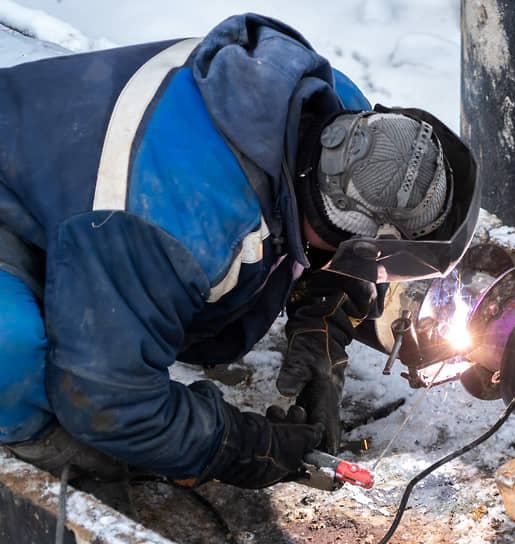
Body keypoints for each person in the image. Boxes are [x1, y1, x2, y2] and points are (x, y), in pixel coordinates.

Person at [0, 13, 478, 489]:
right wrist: (237, 445)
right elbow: (108, 399)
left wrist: (322, 319)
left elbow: (332, 218)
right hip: (19, 209)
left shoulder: (336, 110)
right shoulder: (178, 227)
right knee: (15, 355)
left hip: (69, 182)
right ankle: (51, 461)